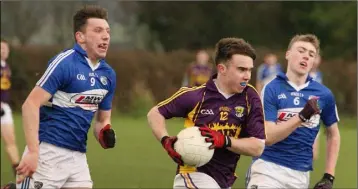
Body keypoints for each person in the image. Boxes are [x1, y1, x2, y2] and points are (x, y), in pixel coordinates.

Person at [15, 5, 117, 189]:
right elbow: (30, 104)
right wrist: (32, 151)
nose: (106, 36)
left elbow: (103, 120)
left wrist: (105, 132)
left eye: (108, 31)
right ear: (80, 37)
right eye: (98, 30)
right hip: (48, 152)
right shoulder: (65, 62)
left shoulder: (108, 74)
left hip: (78, 157)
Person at [147, 37, 266, 189]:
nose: (247, 76)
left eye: (250, 70)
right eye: (241, 69)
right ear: (222, 69)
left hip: (224, 180)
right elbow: (155, 113)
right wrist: (165, 140)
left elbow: (257, 147)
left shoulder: (250, 97)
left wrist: (224, 140)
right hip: (191, 175)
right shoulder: (195, 95)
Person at [246, 34, 340, 189]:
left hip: (301, 176)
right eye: (301, 50)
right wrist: (302, 116)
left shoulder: (324, 94)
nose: (306, 57)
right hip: (267, 169)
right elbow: (268, 136)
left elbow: (333, 134)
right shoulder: (272, 88)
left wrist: (329, 176)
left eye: (311, 54)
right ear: (288, 54)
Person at [1, 39, 20, 177]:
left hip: (4, 108)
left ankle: (19, 172)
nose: (4, 51)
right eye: (1, 48)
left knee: (11, 140)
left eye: (5, 48)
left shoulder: (6, 66)